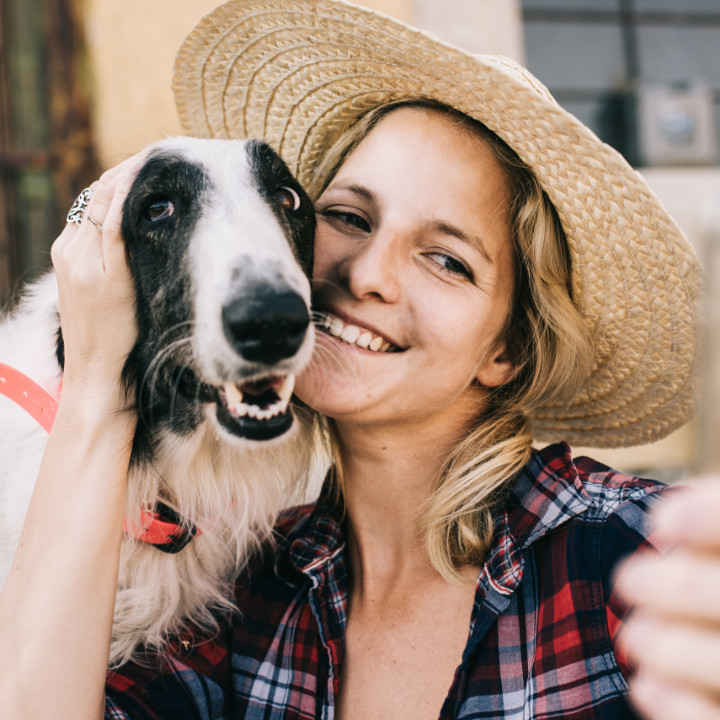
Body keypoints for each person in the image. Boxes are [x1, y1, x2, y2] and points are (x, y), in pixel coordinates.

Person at [0, 1, 717, 719]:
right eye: (348, 218)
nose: (369, 274)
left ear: (509, 349)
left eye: (446, 260)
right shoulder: (248, 594)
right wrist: (98, 379)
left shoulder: (636, 555)